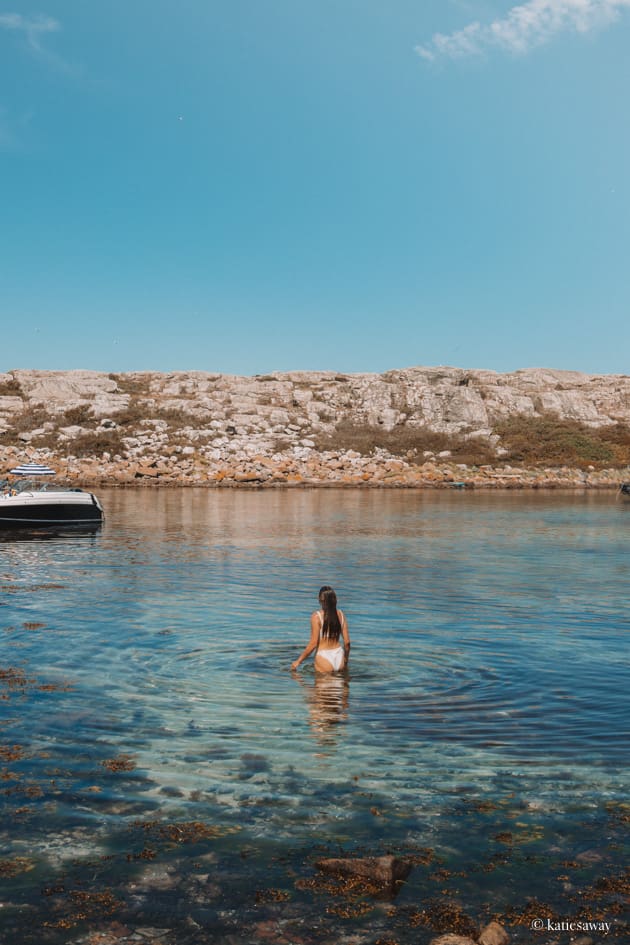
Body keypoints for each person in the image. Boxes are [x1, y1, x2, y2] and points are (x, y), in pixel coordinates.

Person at [291, 586, 350, 673]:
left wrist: (298, 661)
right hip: (339, 656)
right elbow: (347, 643)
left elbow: (313, 644)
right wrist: (345, 660)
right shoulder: (341, 615)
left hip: (324, 658)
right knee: (338, 685)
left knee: (320, 685)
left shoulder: (316, 616)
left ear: (320, 600)